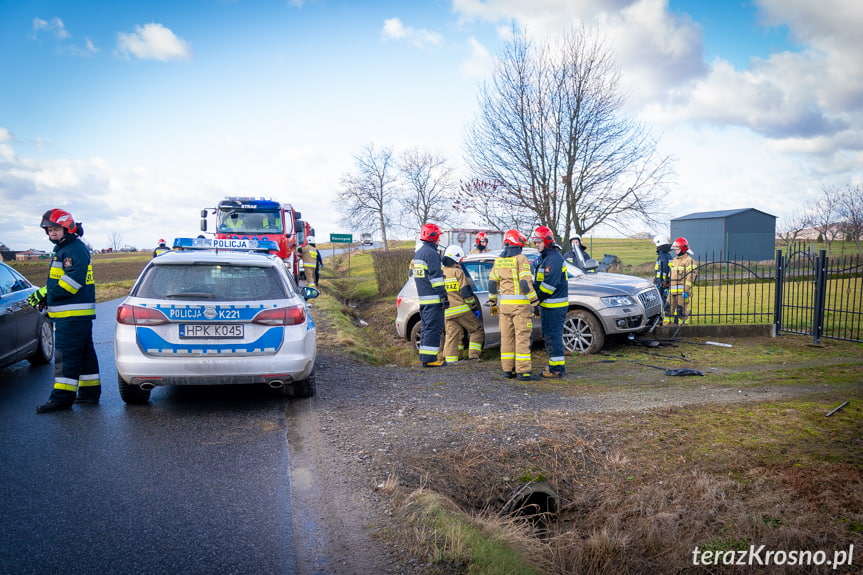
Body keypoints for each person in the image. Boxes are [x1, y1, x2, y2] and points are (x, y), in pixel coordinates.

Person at [27, 209, 101, 413]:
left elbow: (71, 283)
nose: (52, 233)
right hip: (76, 314)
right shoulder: (66, 248)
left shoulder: (73, 249)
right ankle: (89, 393)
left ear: (67, 228)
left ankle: (61, 399)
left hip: (72, 316)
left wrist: (45, 294)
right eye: (49, 230)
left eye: (56, 229)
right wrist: (45, 294)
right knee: (84, 354)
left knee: (66, 356)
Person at [488, 229, 538, 381]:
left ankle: (508, 369)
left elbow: (491, 283)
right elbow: (524, 283)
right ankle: (523, 371)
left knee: (507, 338)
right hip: (520, 307)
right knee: (522, 337)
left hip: (504, 307)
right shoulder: (520, 258)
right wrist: (534, 302)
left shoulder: (499, 260)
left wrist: (492, 302)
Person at [532, 226, 569, 378]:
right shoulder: (545, 257)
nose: (536, 245)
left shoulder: (553, 258)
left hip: (555, 306)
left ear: (546, 241)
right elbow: (538, 280)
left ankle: (556, 369)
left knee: (553, 336)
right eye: (534, 242)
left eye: (538, 242)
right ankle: (554, 366)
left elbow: (549, 286)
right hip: (548, 305)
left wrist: (535, 299)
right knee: (549, 336)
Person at [413, 223, 448, 367]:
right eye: (438, 236)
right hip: (433, 299)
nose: (439, 239)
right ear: (433, 236)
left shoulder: (420, 253)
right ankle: (431, 360)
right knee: (434, 328)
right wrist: (443, 296)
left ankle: (425, 358)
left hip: (424, 299)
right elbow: (436, 279)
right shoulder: (431, 254)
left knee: (427, 328)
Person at [441, 244, 484, 364]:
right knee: (476, 330)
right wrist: (474, 308)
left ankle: (451, 360)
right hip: (461, 309)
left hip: (448, 311)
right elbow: (466, 293)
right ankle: (474, 357)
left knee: (452, 336)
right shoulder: (458, 272)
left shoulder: (440, 272)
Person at [667, 236, 697, 324]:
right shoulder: (674, 260)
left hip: (682, 292)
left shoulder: (689, 261)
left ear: (683, 249)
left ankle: (682, 331)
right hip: (672, 292)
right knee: (668, 310)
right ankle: (667, 329)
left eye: (677, 248)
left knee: (681, 312)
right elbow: (671, 275)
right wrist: (667, 287)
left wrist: (686, 290)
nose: (675, 250)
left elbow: (691, 277)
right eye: (674, 248)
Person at [653, 235, 673, 317]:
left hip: (661, 282)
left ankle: (663, 317)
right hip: (666, 281)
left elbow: (663, 270)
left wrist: (662, 281)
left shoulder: (662, 256)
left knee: (662, 301)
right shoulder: (667, 255)